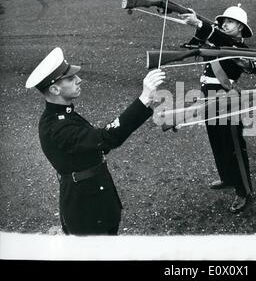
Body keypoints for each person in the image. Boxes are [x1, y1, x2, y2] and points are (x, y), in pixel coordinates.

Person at [25, 47, 165, 235]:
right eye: (70, 78)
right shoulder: (57, 128)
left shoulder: (62, 114)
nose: (78, 80)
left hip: (96, 200)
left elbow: (93, 147)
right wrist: (142, 99)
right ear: (55, 89)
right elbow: (105, 139)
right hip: (86, 210)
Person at [179, 4, 255, 213]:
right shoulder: (218, 40)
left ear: (240, 28)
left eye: (229, 22)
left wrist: (201, 24)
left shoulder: (239, 48)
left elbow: (222, 41)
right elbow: (192, 45)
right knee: (217, 141)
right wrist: (197, 26)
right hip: (208, 98)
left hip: (227, 100)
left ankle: (244, 191)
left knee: (233, 147)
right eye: (222, 22)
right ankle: (227, 178)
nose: (223, 24)